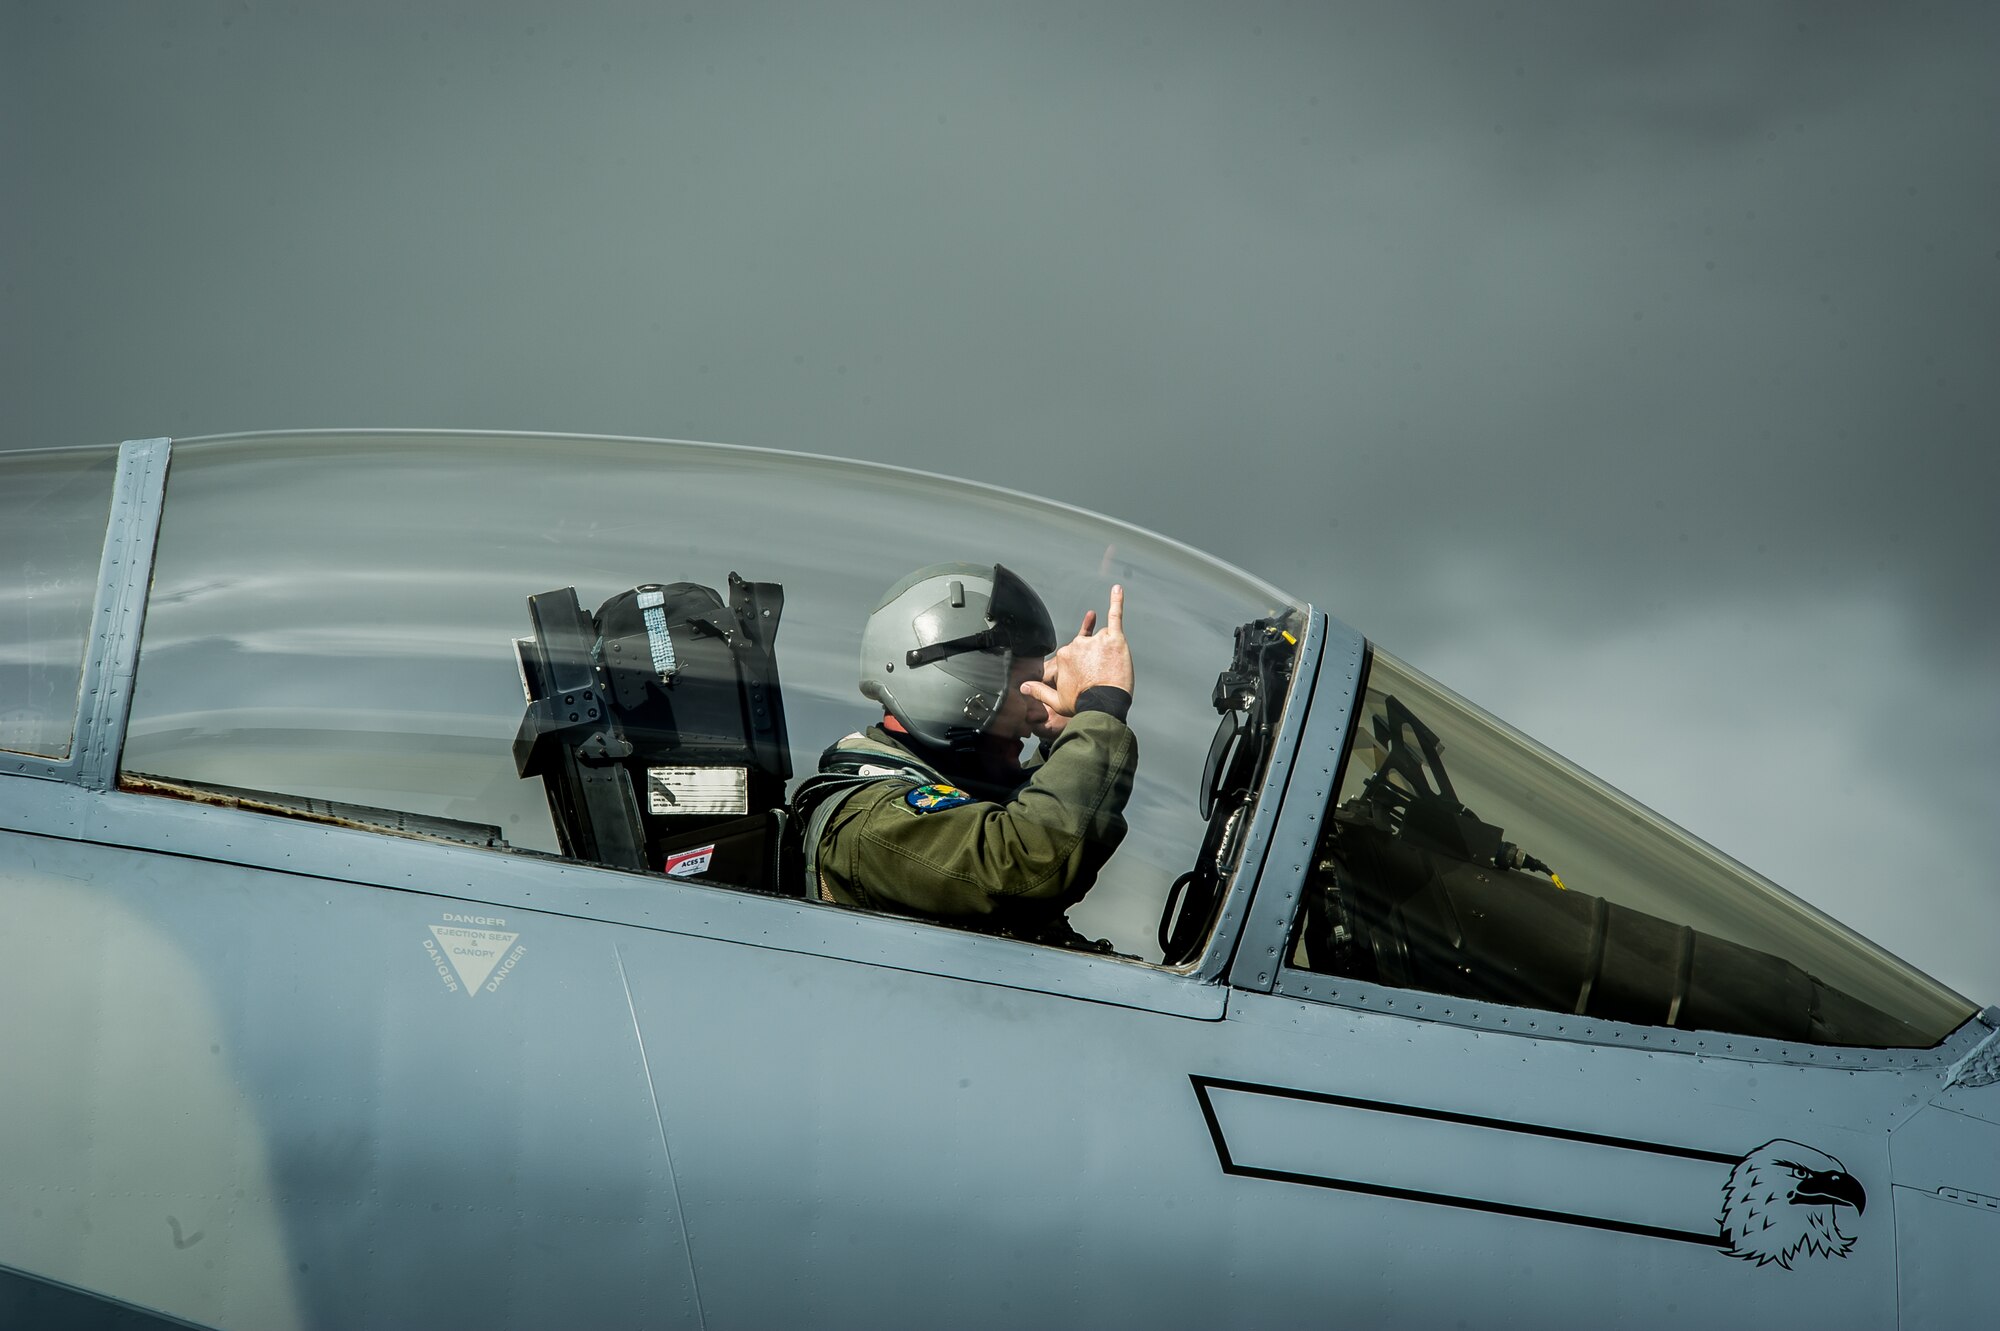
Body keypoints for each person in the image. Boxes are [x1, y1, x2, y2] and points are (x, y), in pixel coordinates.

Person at [794, 562, 1137, 948]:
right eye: (1025, 687)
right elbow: (1023, 865)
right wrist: (1101, 710)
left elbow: (1014, 815)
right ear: (960, 688)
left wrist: (1062, 741)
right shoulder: (876, 821)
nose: (1038, 710)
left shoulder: (935, 797)